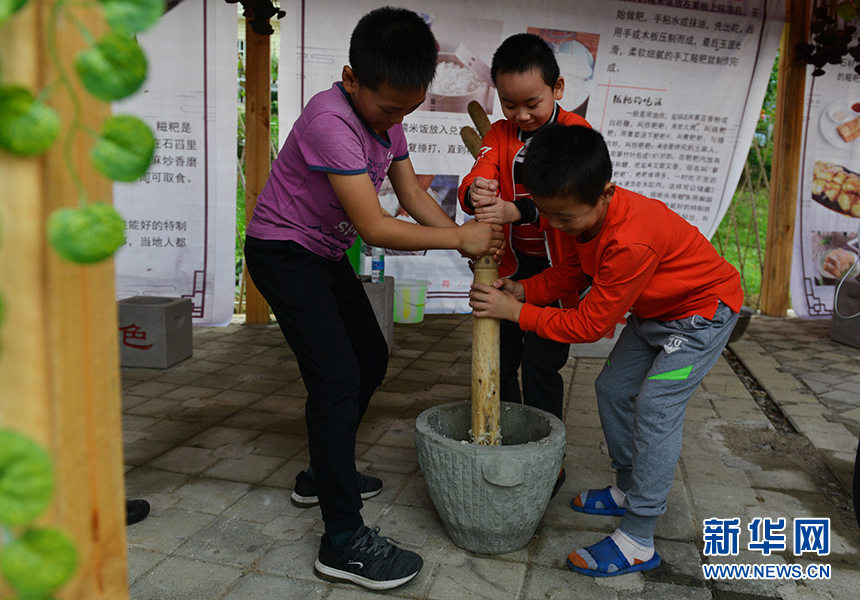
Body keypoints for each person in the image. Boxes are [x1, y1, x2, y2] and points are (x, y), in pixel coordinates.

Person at [243, 7, 502, 591]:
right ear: (352, 77)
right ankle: (341, 540)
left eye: (408, 108)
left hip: (320, 253)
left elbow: (410, 194)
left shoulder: (388, 114)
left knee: (371, 357)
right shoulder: (329, 120)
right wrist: (460, 236)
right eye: (390, 107)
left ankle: (322, 474)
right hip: (282, 252)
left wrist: (469, 249)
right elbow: (377, 227)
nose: (398, 118)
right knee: (335, 378)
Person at [469, 124, 743, 577]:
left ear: (606, 193)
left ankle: (638, 536)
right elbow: (572, 275)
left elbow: (590, 324)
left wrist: (515, 313)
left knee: (656, 406)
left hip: (700, 319)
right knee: (614, 388)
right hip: (654, 314)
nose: (557, 228)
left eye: (565, 220)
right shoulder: (577, 213)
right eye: (548, 217)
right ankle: (627, 488)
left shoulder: (632, 238)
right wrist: (522, 289)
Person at [459, 33, 591, 496]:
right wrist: (475, 189)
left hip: (559, 277)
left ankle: (547, 456)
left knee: (541, 365)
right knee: (502, 356)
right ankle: (508, 438)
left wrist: (521, 210)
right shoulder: (499, 133)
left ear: (557, 88)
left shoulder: (578, 136)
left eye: (531, 102)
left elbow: (574, 198)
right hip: (510, 270)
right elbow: (481, 169)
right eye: (509, 104)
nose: (520, 115)